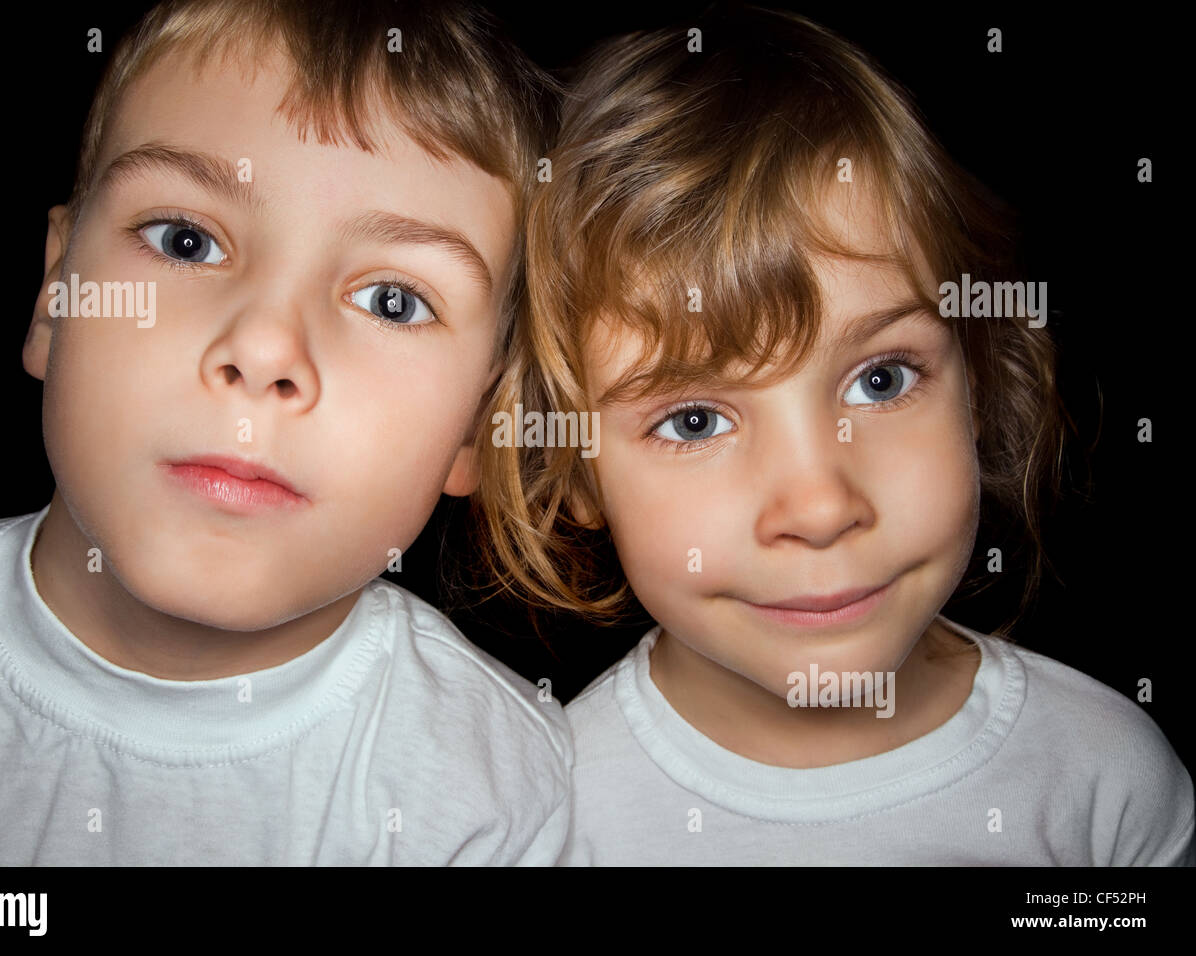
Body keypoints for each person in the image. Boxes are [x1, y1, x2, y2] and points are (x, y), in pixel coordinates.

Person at [474, 6, 1194, 865]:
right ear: (574, 473)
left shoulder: (1105, 780)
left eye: (881, 380)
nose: (819, 506)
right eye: (693, 420)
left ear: (978, 380)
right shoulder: (541, 823)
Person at [0, 0, 571, 865]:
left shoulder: (497, 792)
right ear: (55, 296)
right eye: (185, 240)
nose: (263, 349)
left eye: (392, 301)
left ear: (481, 425)